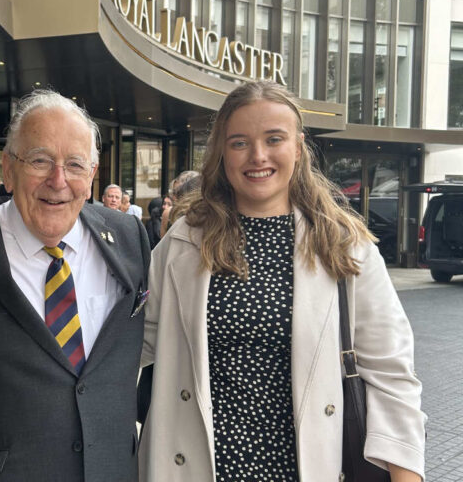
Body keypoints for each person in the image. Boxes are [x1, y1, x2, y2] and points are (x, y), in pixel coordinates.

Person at [139, 81, 425, 482]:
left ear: (298, 147)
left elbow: (391, 375)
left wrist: (406, 475)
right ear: (222, 150)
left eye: (274, 139)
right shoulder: (184, 241)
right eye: (240, 142)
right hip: (197, 467)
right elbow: (134, 345)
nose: (258, 156)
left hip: (306, 469)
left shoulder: (344, 244)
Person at [0, 89, 150, 482]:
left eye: (74, 164)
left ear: (92, 174)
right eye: (40, 160)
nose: (58, 180)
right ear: (8, 167)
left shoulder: (128, 238)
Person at [159, 170, 199, 239]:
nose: (174, 197)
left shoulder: (206, 216)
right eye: (173, 192)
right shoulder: (168, 214)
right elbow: (164, 246)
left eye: (179, 192)